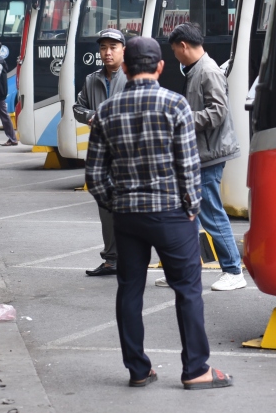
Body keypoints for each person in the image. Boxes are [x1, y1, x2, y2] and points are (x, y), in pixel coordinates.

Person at [85, 36, 232, 391]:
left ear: (125, 67)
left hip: (127, 216)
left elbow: (94, 175)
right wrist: (191, 209)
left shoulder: (107, 110)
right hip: (171, 215)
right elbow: (189, 166)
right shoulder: (175, 105)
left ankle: (138, 370)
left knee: (130, 290)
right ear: (160, 66)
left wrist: (116, 203)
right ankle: (196, 369)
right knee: (187, 290)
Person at [163, 23, 245, 291]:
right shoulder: (197, 69)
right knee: (188, 214)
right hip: (200, 153)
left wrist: (184, 118)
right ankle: (184, 270)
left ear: (184, 46)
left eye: (175, 51)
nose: (175, 56)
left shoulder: (208, 71)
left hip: (208, 154)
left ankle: (233, 270)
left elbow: (218, 112)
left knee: (210, 212)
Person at [73, 28, 128, 277]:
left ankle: (132, 257)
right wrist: (91, 115)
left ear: (123, 50)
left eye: (113, 47)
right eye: (103, 48)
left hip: (128, 154)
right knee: (106, 207)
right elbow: (78, 107)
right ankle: (112, 259)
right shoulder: (91, 79)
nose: (107, 52)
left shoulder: (132, 78)